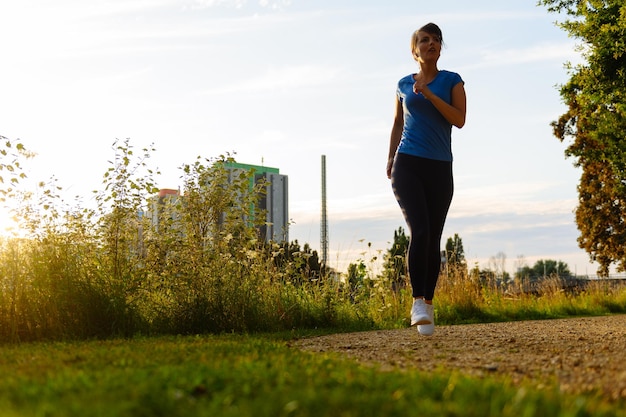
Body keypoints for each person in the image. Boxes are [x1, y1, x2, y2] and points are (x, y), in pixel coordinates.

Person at [386, 23, 466, 336]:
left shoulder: (452, 80)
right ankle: (417, 301)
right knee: (419, 229)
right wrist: (390, 158)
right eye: (424, 39)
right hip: (407, 163)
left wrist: (431, 95)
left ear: (440, 48)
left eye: (435, 39)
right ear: (414, 49)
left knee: (433, 236)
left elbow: (459, 120)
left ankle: (428, 304)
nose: (431, 43)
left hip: (439, 166)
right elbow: (397, 122)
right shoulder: (403, 84)